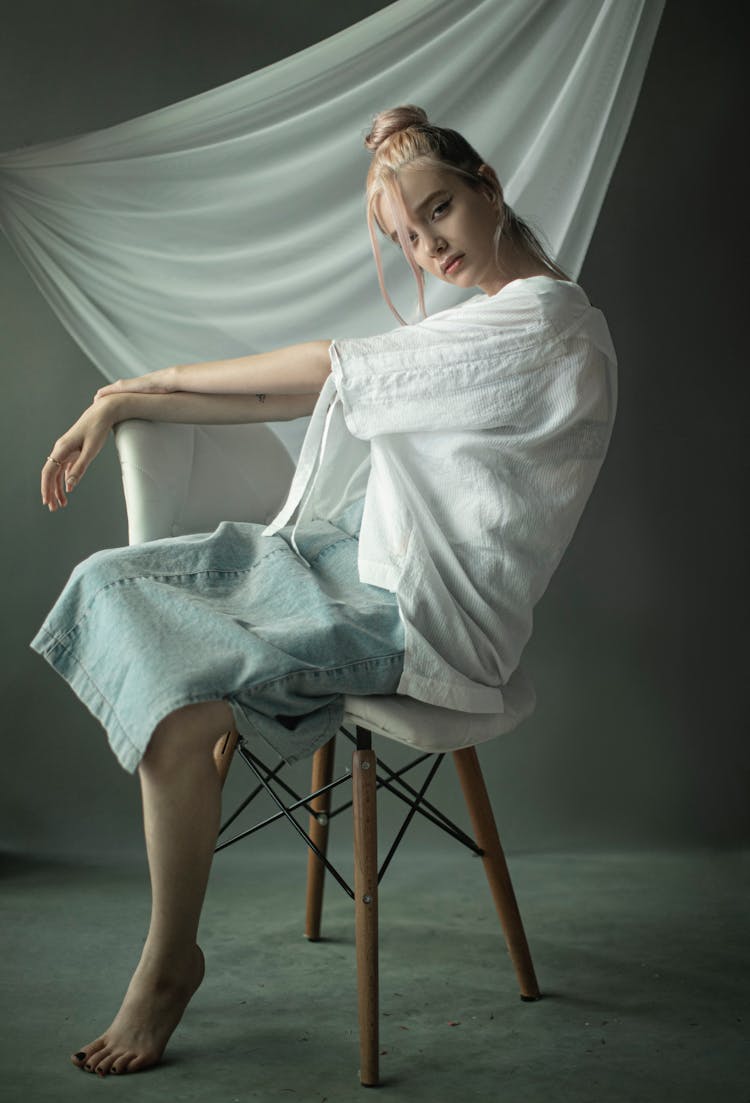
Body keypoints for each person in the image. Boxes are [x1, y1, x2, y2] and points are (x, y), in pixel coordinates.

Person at [32, 105, 617, 1077]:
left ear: (489, 187)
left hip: (420, 616)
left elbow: (322, 370)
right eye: (407, 236)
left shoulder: (544, 326)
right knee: (106, 580)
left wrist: (136, 384)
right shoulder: (495, 318)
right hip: (353, 559)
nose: (430, 246)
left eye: (441, 210)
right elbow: (316, 391)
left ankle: (168, 960)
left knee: (179, 694)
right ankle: (177, 912)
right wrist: (122, 398)